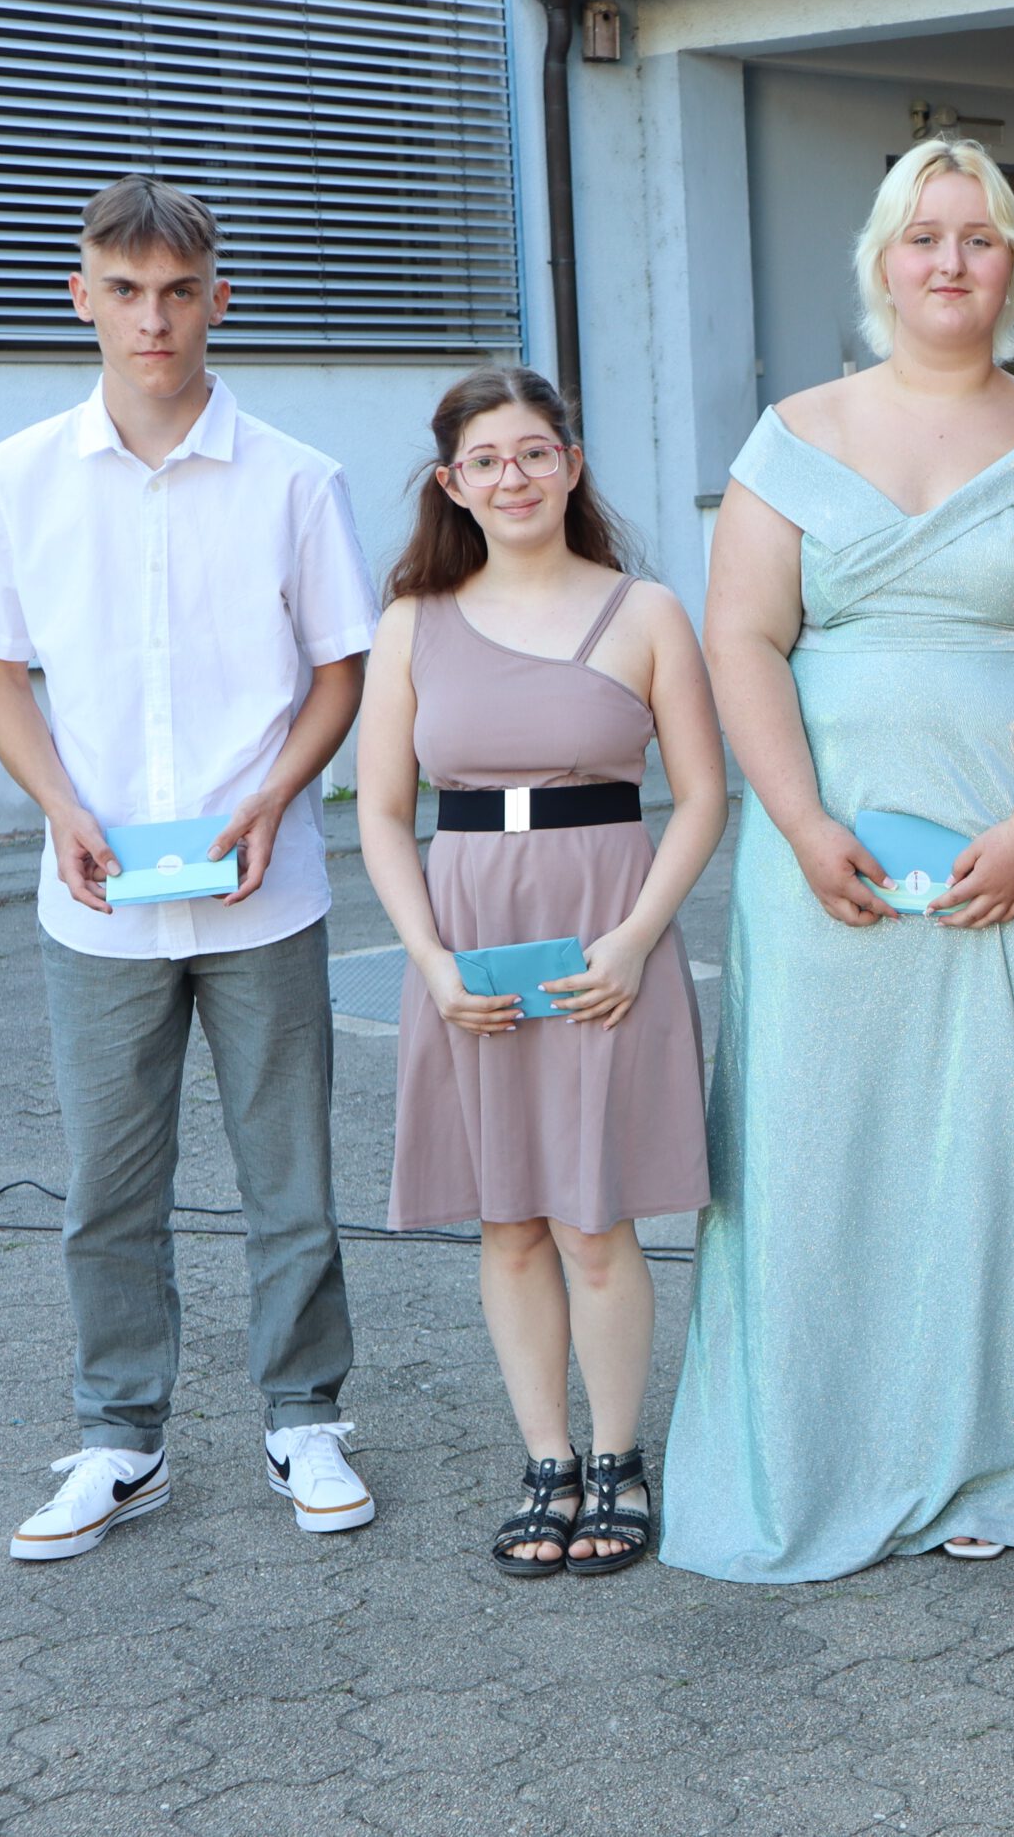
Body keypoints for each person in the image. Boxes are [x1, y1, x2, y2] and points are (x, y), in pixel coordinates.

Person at [661, 139, 1014, 1581]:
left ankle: (998, 1452)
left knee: (1000, 1147)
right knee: (820, 1145)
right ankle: (816, 1446)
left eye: (981, 237)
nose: (951, 260)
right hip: (827, 865)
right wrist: (802, 822)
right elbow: (743, 638)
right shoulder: (789, 438)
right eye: (925, 235)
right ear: (882, 261)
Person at [0, 176, 380, 1558]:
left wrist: (277, 795)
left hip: (263, 893)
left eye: (180, 291)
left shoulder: (297, 478)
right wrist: (59, 805)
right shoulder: (13, 479)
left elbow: (341, 670)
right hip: (98, 904)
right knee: (107, 1191)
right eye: (124, 290)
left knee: (288, 1174)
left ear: (217, 299)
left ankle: (305, 1418)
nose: (153, 318)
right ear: (82, 297)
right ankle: (122, 1440)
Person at [357, 367, 723, 1576]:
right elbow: (381, 815)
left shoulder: (646, 612)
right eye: (484, 461)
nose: (509, 477)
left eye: (531, 452)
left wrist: (635, 939)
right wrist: (430, 960)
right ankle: (547, 1462)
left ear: (570, 463)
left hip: (604, 935)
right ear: (451, 484)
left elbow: (702, 799)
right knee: (509, 1220)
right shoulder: (412, 621)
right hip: (468, 942)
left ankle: (619, 1459)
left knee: (595, 1217)